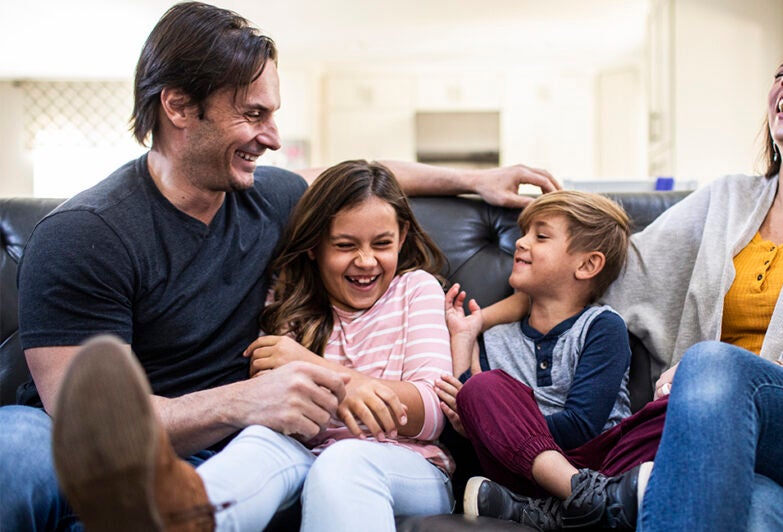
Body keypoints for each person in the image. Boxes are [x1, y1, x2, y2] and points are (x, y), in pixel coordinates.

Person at [0, 2, 558, 531]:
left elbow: (353, 178)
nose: (270, 137)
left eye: (273, 115)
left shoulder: (269, 197)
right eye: (252, 114)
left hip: (240, 448)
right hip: (116, 441)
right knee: (14, 449)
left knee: (269, 461)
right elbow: (91, 428)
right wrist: (244, 400)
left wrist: (473, 180)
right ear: (178, 107)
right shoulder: (84, 235)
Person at [481, 32, 783, 530]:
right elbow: (596, 273)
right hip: (726, 450)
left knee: (713, 363)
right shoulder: (725, 201)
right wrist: (479, 316)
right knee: (760, 514)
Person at [54, 160, 455, 530]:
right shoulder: (288, 301)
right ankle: (181, 511)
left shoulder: (414, 290)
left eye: (382, 244)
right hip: (307, 457)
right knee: (261, 443)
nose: (366, 261)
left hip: (410, 467)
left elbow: (431, 411)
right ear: (314, 246)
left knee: (345, 460)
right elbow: (280, 411)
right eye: (346, 246)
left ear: (402, 237)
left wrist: (317, 369)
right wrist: (329, 394)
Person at [435, 190, 644, 530]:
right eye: (524, 233)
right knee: (481, 389)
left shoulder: (602, 326)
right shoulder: (495, 340)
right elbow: (466, 412)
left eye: (541, 236)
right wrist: (464, 335)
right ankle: (584, 502)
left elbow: (581, 427)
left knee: (672, 412)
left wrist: (487, 426)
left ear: (588, 264)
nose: (521, 242)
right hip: (519, 472)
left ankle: (561, 505)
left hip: (601, 462)